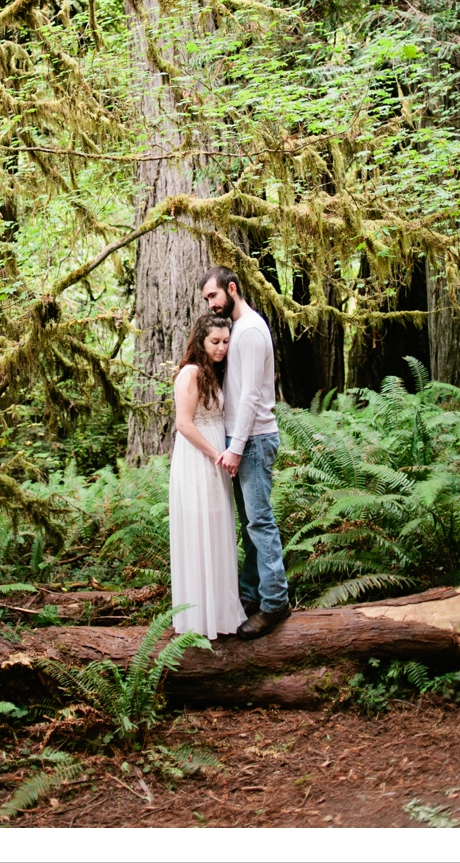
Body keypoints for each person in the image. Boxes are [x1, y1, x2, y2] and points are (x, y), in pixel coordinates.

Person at [200, 265, 290, 639]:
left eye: (213, 296)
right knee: (250, 524)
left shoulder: (251, 330)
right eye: (207, 299)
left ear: (231, 289)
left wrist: (235, 448)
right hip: (243, 440)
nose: (210, 304)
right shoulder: (237, 331)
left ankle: (275, 604)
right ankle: (252, 596)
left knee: (260, 522)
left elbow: (252, 394)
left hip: (253, 440)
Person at [169, 313, 246, 640]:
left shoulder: (214, 373)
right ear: (200, 341)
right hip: (199, 461)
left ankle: (221, 612)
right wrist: (216, 454)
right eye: (215, 341)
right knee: (200, 531)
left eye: (226, 342)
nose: (221, 348)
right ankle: (199, 617)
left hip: (216, 460)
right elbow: (184, 424)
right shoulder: (190, 374)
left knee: (217, 531)